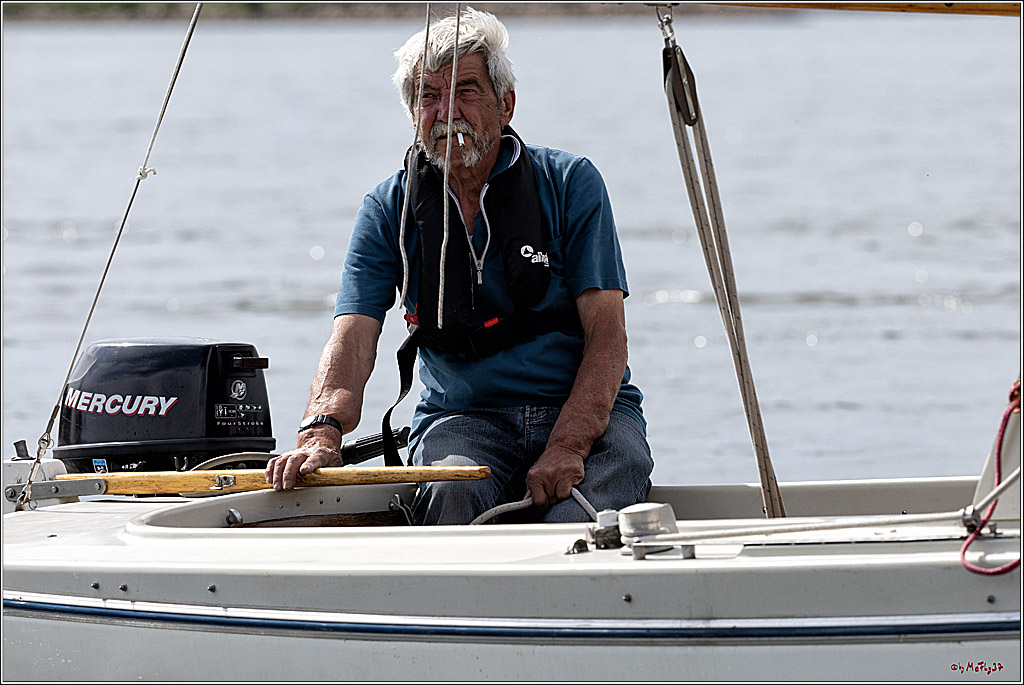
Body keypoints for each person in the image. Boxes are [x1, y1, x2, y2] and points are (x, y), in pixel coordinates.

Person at [265, 8, 653, 524]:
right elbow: (353, 337)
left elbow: (608, 337)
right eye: (428, 97)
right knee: (451, 494)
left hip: (586, 413)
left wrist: (568, 444)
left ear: (506, 105)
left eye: (467, 91)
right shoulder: (387, 208)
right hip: (464, 418)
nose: (447, 112)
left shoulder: (571, 183)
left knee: (584, 518)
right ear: (412, 115)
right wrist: (320, 433)